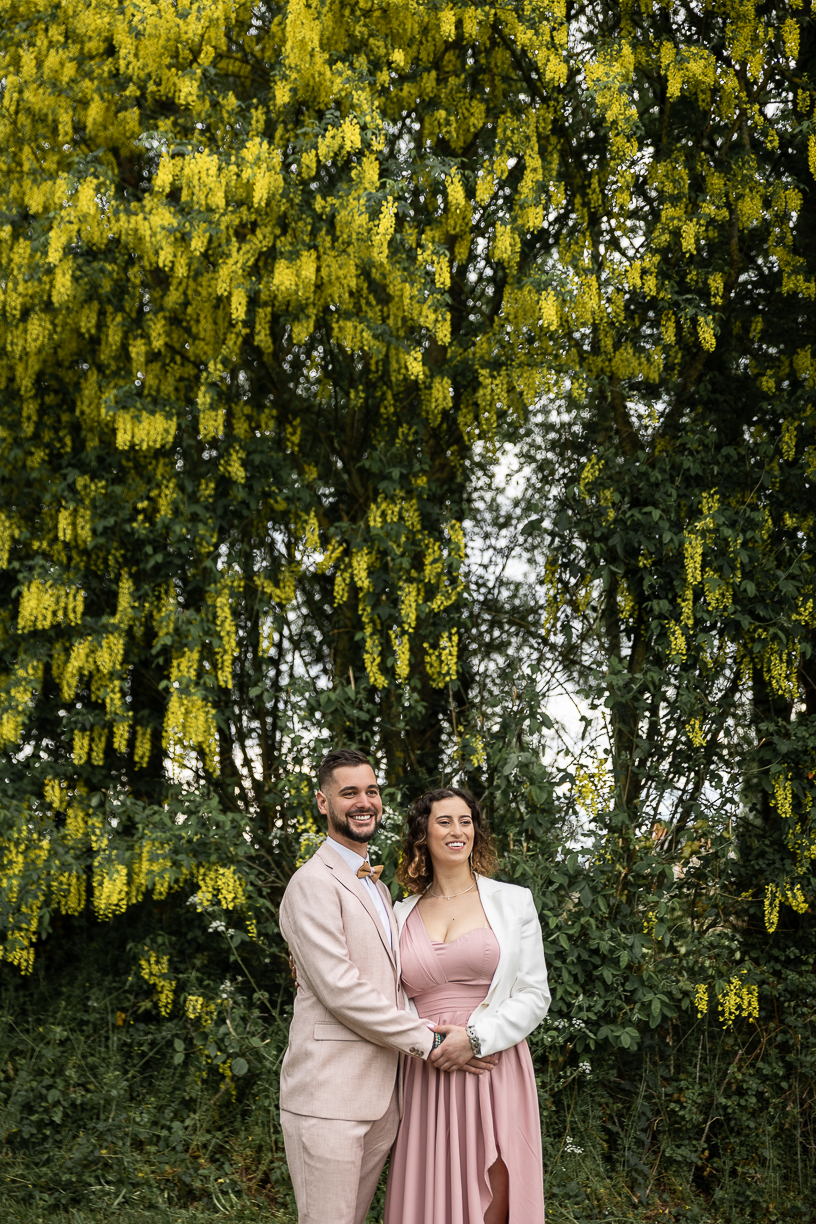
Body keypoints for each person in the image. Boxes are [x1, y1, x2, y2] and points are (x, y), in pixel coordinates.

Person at [278, 751, 495, 1224]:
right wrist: (430, 1040)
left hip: (382, 1100)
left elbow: (400, 977)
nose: (364, 802)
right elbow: (342, 990)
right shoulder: (311, 884)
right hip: (329, 1098)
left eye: (371, 791)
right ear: (322, 802)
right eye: (349, 792)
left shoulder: (378, 888)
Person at [384, 786, 551, 1224]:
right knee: (429, 1194)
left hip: (491, 1063)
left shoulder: (513, 902)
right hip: (426, 1067)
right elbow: (383, 994)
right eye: (444, 821)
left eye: (466, 821)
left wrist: (475, 1040)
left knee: (497, 1188)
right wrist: (428, 1045)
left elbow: (534, 994)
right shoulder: (398, 914)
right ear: (423, 833)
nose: (457, 831)